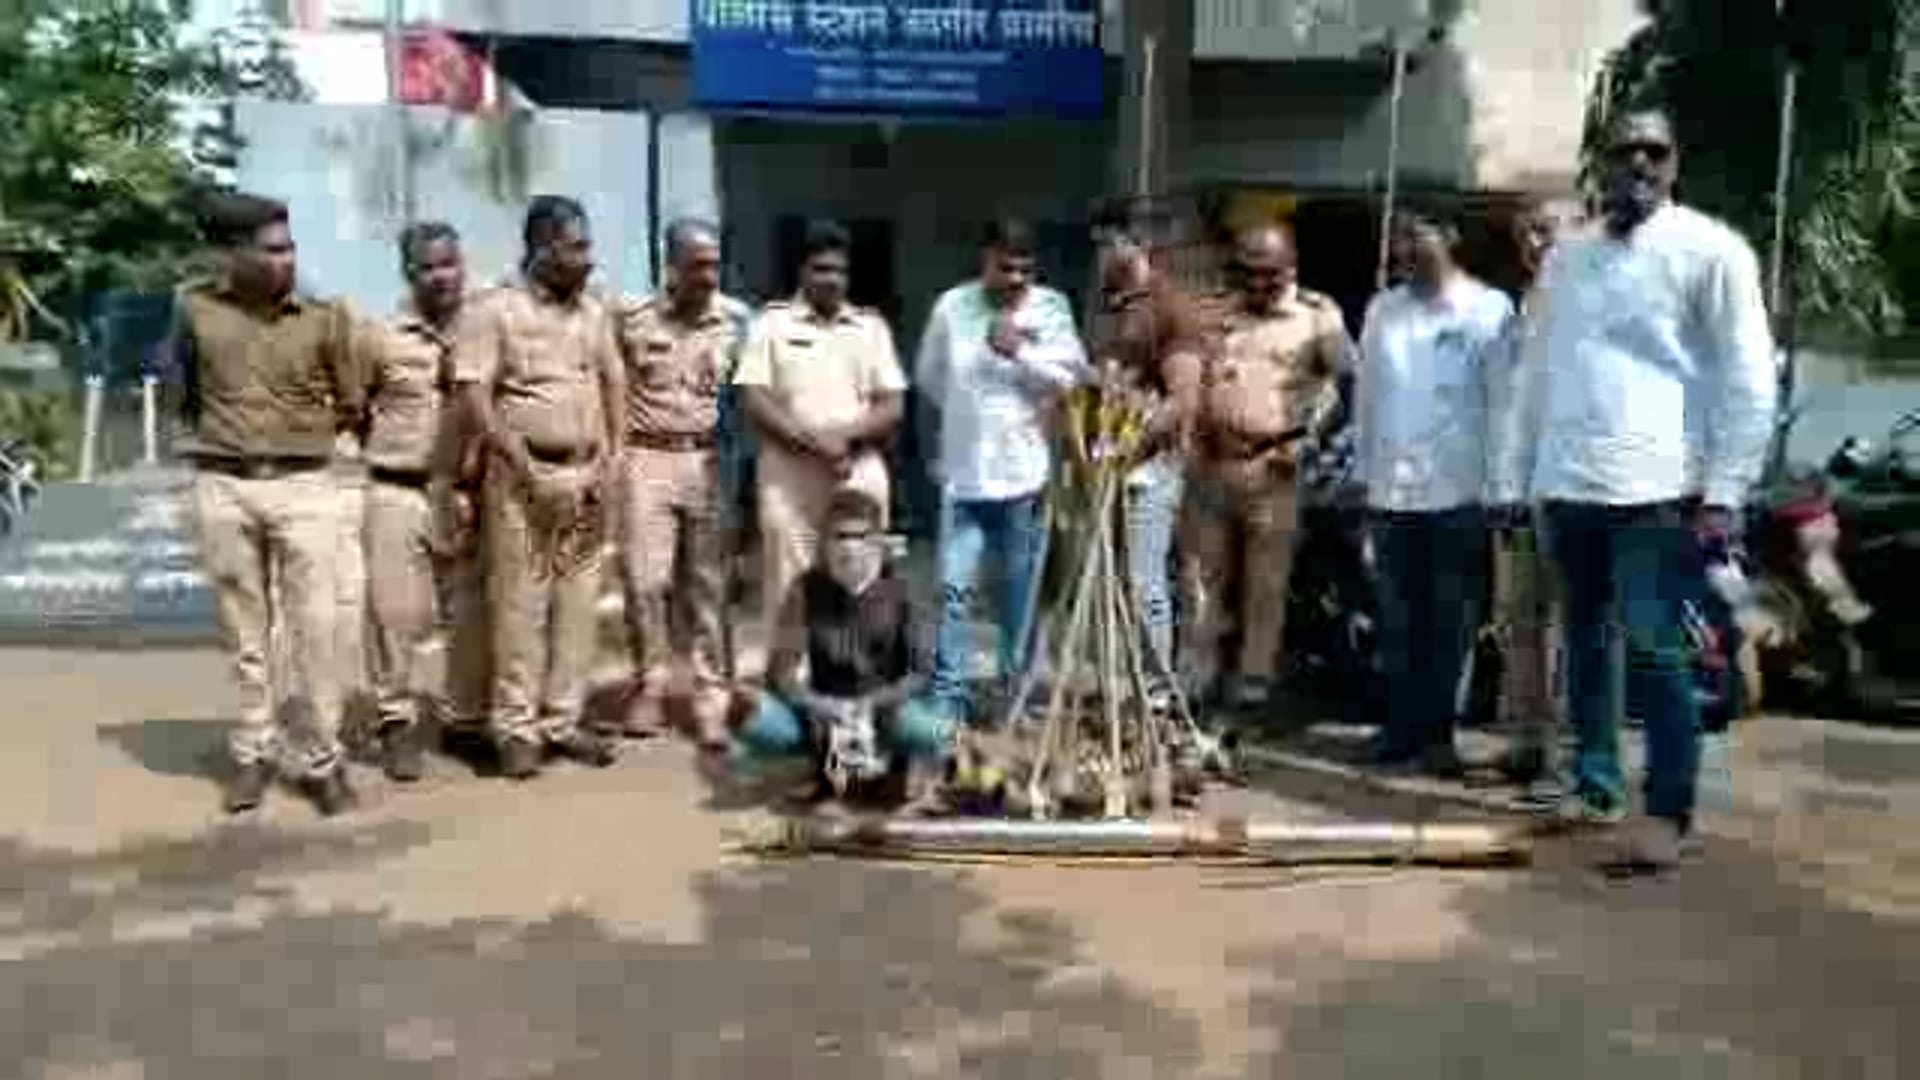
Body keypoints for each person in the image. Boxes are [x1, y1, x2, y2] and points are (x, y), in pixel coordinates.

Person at [1495, 109, 1776, 873]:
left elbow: (1749, 377)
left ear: (1675, 163)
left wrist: (1726, 488)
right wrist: (1514, 477)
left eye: (1655, 152)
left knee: (1657, 653)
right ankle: (1595, 787)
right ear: (1602, 164)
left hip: (1661, 491)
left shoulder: (1713, 251)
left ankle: (1667, 813)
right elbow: (1535, 374)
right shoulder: (1568, 258)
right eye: (1625, 152)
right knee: (1584, 646)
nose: (1640, 164)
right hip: (1569, 487)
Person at [167, 192, 364, 815]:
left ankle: (322, 759)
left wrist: (301, 440)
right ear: (235, 255)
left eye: (290, 248)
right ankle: (254, 752)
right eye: (272, 250)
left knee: (318, 630)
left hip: (304, 485)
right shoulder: (193, 308)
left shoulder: (326, 316)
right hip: (224, 486)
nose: (287, 260)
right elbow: (182, 388)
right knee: (244, 630)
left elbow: (351, 398)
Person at [452, 196, 626, 780]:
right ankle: (516, 728)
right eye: (577, 247)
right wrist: (524, 467)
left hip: (586, 476)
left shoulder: (594, 312)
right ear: (542, 248)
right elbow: (475, 397)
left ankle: (562, 720)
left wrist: (613, 457)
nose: (588, 258)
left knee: (578, 607)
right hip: (523, 478)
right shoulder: (493, 310)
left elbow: (613, 380)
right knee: (520, 607)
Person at [1354, 210, 1514, 775]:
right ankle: (1401, 729)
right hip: (1391, 492)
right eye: (1397, 237)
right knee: (1396, 621)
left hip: (1459, 491)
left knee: (1451, 621)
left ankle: (1440, 734)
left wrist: (1501, 488)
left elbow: (1503, 404)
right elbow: (1368, 398)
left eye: (1414, 235)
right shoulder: (1382, 310)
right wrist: (1362, 478)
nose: (1402, 247)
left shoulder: (1489, 309)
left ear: (1448, 236)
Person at [917, 218, 1088, 724]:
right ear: (985, 260)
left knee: (1019, 599)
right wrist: (965, 422)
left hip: (1022, 480)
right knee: (954, 592)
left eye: (1024, 270)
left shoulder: (1051, 308)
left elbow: (1073, 380)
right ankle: (948, 703)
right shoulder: (952, 305)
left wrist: (1021, 352)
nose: (1015, 279)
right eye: (1005, 267)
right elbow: (930, 377)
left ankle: (1015, 699)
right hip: (964, 480)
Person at [1182, 223, 1350, 711]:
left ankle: (1254, 680)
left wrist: (1311, 442)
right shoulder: (1218, 311)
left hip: (1275, 468)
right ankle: (1197, 677)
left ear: (1291, 268)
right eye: (1248, 271)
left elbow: (1349, 385)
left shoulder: (1316, 316)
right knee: (1200, 581)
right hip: (1212, 466)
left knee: (1265, 584)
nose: (1258, 282)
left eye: (1269, 273)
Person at [733, 220, 907, 668]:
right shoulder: (771, 324)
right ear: (802, 272)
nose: (832, 279)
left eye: (840, 271)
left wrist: (844, 438)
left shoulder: (870, 328)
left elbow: (892, 405)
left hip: (857, 470)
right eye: (821, 269)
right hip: (789, 476)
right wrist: (816, 444)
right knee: (789, 577)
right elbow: (756, 399)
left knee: (860, 575)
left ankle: (859, 677)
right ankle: (792, 680)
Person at [612, 219, 749, 746]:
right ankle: (650, 684)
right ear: (671, 267)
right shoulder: (632, 319)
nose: (709, 275)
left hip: (709, 459)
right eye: (697, 265)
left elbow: (751, 396)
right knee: (645, 580)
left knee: (709, 586)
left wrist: (746, 475)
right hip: (647, 456)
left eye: (715, 264)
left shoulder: (736, 321)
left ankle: (710, 698)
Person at [354, 220, 478, 783]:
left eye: (450, 263)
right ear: (408, 273)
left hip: (469, 494)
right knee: (394, 614)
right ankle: (395, 721)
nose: (442, 276)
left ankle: (464, 720)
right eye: (429, 267)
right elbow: (356, 409)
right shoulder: (379, 338)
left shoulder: (486, 330)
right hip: (398, 489)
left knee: (471, 615)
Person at [730, 489, 948, 805]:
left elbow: (922, 672)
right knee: (747, 715)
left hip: (887, 709)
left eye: (859, 536)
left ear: (877, 541)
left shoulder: (903, 588)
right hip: (822, 711)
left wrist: (871, 705)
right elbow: (781, 672)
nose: (848, 546)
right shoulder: (804, 588)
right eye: (838, 536)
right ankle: (818, 763)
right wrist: (823, 706)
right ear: (824, 541)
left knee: (934, 732)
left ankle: (902, 762)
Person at [1486, 193, 1585, 804]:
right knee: (1519, 621)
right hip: (1521, 493)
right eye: (1526, 233)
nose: (1534, 243)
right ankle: (1528, 742)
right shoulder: (1523, 307)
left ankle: (1574, 760)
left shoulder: (1598, 303)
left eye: (1547, 230)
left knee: (1580, 630)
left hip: (1578, 490)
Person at [1086, 233, 1208, 699]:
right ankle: (1132, 687)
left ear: (1134, 247)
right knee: (1117, 583)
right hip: (1110, 469)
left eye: (1109, 244)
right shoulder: (1112, 306)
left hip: (1154, 468)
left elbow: (1182, 399)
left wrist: (1131, 445)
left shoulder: (1172, 309)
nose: (1101, 255)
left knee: (1145, 583)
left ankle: (1158, 693)